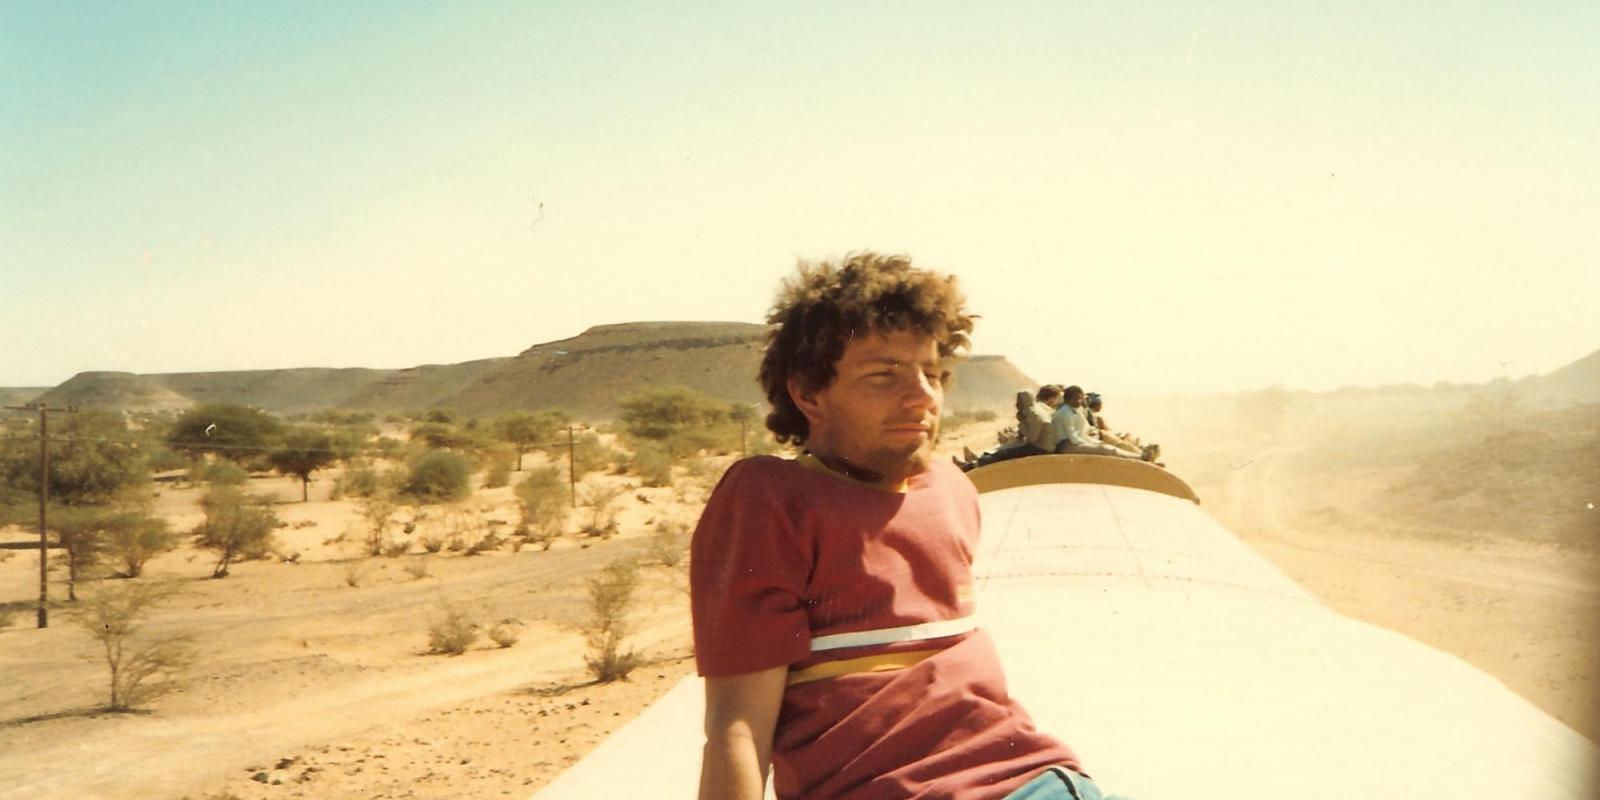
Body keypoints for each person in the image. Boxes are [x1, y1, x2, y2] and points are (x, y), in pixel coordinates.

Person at [691, 252, 1122, 799]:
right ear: (809, 394)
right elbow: (737, 727)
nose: (923, 396)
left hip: (1046, 781)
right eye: (883, 376)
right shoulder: (771, 501)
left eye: (934, 374)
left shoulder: (952, 489)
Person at [960, 384, 1063, 470]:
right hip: (1041, 446)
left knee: (1005, 454)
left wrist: (1021, 424)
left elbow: (1032, 438)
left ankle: (972, 466)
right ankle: (976, 461)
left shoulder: (1034, 413)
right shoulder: (1035, 410)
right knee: (1007, 449)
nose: (1017, 404)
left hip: (1041, 449)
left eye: (1019, 401)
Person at [1053, 385, 1157, 462]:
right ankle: (1140, 458)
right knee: (1104, 450)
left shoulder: (1076, 410)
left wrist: (1094, 442)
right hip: (1067, 445)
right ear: (1067, 399)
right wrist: (1092, 445)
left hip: (1077, 442)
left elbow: (1082, 433)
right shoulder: (1064, 413)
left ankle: (1140, 456)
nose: (1079, 402)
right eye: (1076, 399)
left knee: (1105, 446)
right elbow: (1073, 437)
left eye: (1080, 398)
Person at [1084, 393, 1157, 462]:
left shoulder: (1092, 415)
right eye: (1100, 403)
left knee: (1123, 439)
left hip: (1104, 436)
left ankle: (1140, 450)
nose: (1102, 405)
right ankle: (1141, 454)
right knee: (1120, 444)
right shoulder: (1095, 417)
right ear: (1096, 405)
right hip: (1101, 437)